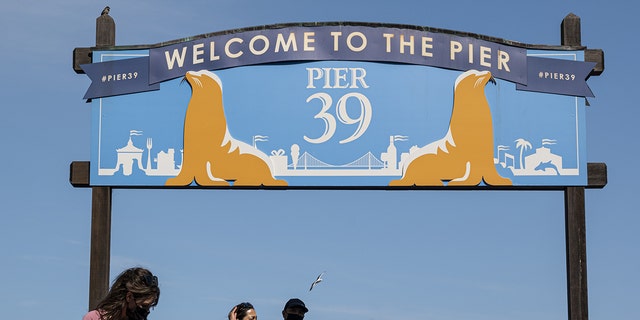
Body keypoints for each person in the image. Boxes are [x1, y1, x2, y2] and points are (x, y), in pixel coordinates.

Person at [82, 267, 160, 320]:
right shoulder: (94, 318)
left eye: (149, 306)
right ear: (129, 297)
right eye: (144, 306)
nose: (146, 311)